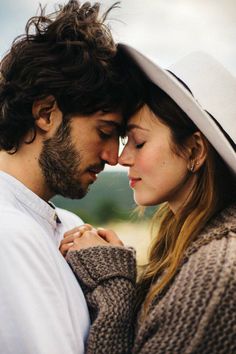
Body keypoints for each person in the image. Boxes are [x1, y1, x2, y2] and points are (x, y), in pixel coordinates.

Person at [62, 45, 236, 353]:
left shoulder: (216, 273)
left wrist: (113, 285)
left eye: (139, 142)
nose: (121, 158)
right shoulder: (187, 248)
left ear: (194, 151)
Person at [0, 1, 138, 353]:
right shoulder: (9, 236)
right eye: (104, 131)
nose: (114, 156)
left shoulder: (68, 226)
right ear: (46, 113)